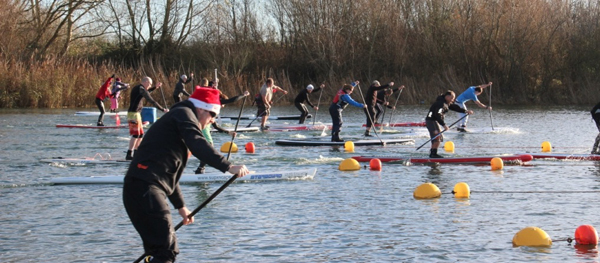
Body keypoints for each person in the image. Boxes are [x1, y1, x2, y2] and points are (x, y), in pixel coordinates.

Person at [123, 87, 250, 263]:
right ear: (201, 108)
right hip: (144, 186)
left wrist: (181, 207)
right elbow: (197, 142)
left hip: (142, 187)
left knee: (159, 250)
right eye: (212, 115)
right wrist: (228, 166)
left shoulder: (180, 118)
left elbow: (171, 175)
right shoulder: (183, 113)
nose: (212, 121)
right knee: (166, 251)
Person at [194, 78, 251, 174]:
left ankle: (200, 169)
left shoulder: (211, 111)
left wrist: (230, 133)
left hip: (204, 130)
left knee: (207, 149)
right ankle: (201, 169)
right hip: (202, 130)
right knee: (209, 148)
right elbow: (232, 100)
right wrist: (243, 95)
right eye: (222, 105)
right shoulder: (216, 103)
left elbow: (216, 127)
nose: (222, 107)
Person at [126, 76, 169, 160]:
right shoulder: (140, 88)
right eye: (150, 84)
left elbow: (147, 92)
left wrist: (155, 87)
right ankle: (129, 154)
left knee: (141, 135)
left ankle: (136, 153)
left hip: (136, 114)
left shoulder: (139, 88)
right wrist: (162, 109)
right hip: (133, 114)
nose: (150, 85)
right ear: (145, 82)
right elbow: (151, 100)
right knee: (136, 135)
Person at [425, 90, 473, 158]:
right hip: (431, 121)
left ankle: (433, 152)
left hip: (435, 121)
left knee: (439, 138)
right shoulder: (441, 104)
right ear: (447, 97)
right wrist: (444, 125)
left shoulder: (446, 103)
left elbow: (454, 107)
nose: (453, 99)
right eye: (452, 98)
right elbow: (437, 114)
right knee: (437, 138)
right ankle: (433, 154)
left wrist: (465, 111)